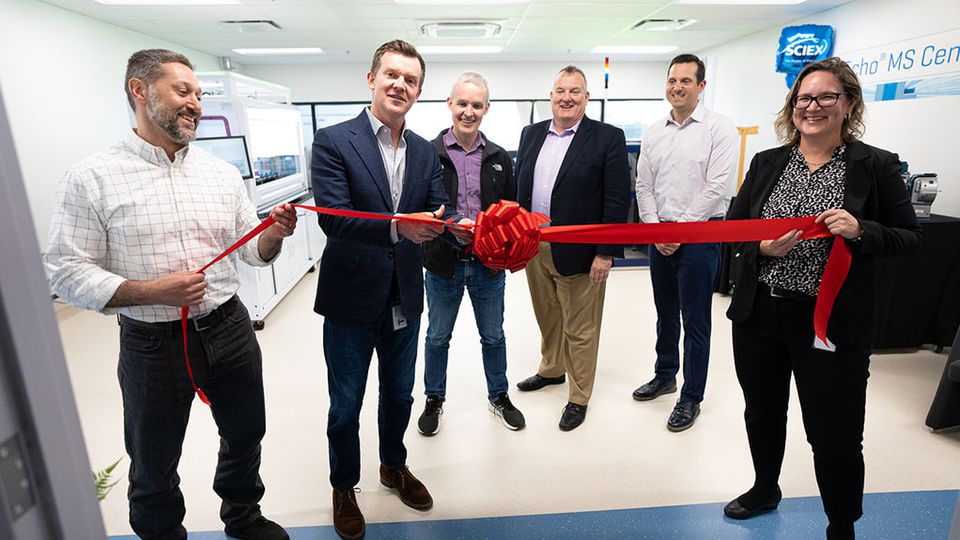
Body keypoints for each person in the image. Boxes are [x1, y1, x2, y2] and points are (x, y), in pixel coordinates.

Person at [44, 49, 296, 540]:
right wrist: (151, 290)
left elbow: (251, 250)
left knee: (246, 434)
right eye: (183, 92)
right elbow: (64, 271)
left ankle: (243, 518)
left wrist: (274, 234)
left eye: (198, 95)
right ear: (140, 91)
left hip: (229, 328)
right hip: (151, 344)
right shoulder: (91, 177)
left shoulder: (219, 175)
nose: (196, 104)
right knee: (154, 456)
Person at [723, 57, 922, 540]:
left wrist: (861, 230)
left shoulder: (875, 165)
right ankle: (765, 487)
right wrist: (759, 246)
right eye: (803, 98)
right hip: (760, 313)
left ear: (848, 103)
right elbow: (733, 228)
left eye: (825, 97)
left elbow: (909, 236)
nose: (812, 107)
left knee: (834, 431)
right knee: (763, 412)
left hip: (830, 322)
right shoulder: (768, 162)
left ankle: (841, 523)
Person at [310, 39, 467, 540]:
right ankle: (343, 485)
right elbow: (335, 219)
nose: (400, 85)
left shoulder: (425, 149)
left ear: (420, 91)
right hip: (351, 296)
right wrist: (402, 226)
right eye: (392, 75)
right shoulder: (335, 141)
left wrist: (453, 225)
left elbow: (438, 205)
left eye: (412, 79)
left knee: (399, 394)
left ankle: (393, 466)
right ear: (372, 78)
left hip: (405, 294)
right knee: (345, 404)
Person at [514, 65, 630, 431]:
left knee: (581, 328)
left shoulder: (607, 137)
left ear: (586, 97)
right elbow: (521, 189)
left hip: (580, 250)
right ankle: (551, 371)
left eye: (575, 91)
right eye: (560, 90)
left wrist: (605, 251)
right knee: (547, 316)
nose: (567, 97)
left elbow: (616, 199)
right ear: (551, 95)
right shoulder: (531, 133)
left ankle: (579, 396)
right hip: (535, 245)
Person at [633, 53, 737, 432]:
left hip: (699, 238)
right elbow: (643, 185)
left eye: (686, 81)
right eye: (672, 80)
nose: (677, 87)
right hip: (659, 236)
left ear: (701, 86)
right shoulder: (654, 131)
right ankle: (665, 375)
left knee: (695, 321)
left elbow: (717, 187)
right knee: (664, 313)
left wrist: (679, 231)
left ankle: (691, 396)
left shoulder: (719, 129)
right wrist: (654, 229)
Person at [417, 72, 523, 436]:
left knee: (493, 335)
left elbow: (512, 207)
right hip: (443, 263)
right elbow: (423, 204)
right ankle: (434, 398)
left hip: (487, 265)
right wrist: (455, 223)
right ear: (449, 104)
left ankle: (499, 395)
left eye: (476, 105)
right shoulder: (428, 154)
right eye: (462, 103)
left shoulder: (498, 157)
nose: (468, 111)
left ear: (486, 109)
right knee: (437, 337)